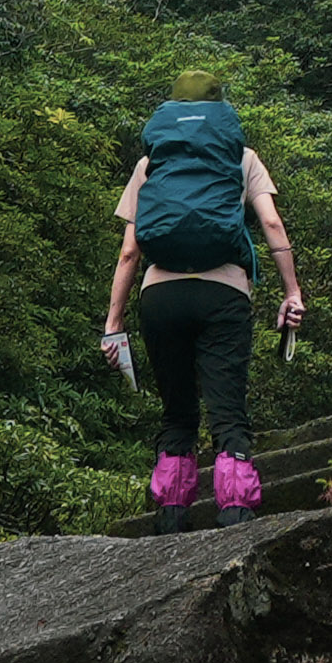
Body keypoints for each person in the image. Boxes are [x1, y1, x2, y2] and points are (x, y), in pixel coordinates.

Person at [98, 78, 305, 518]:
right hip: (223, 293)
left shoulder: (150, 164)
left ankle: (171, 515)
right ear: (220, 111)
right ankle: (235, 512)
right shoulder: (242, 158)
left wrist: (113, 323)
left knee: (177, 412)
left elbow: (130, 251)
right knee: (227, 409)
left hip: (160, 296)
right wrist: (292, 291)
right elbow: (272, 226)